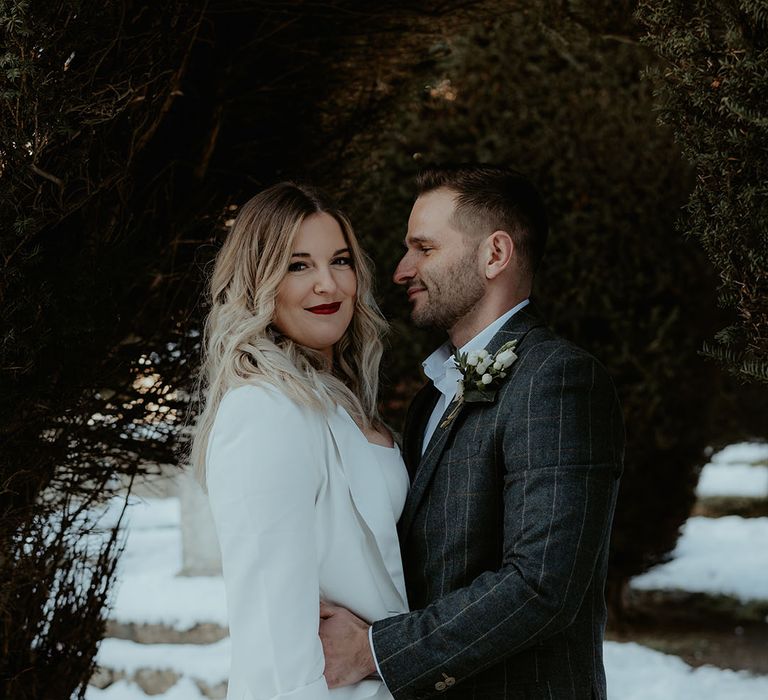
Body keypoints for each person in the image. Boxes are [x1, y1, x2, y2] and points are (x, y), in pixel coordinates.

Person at [319, 165, 624, 699]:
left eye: (424, 248)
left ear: (494, 254)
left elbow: (540, 586)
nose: (400, 269)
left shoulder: (557, 379)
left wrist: (372, 650)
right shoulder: (431, 396)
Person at [190, 182, 410, 700]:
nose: (328, 284)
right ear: (258, 281)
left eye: (340, 261)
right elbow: (270, 621)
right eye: (298, 265)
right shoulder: (263, 409)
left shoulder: (346, 403)